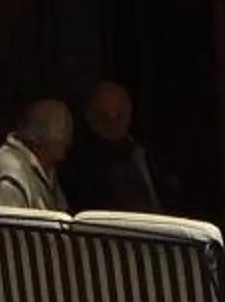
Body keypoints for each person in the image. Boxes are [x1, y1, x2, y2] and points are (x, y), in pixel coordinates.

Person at [66, 78, 160, 213]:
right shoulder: (83, 162)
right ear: (90, 117)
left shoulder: (144, 152)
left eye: (119, 116)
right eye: (104, 116)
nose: (113, 123)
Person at [0, 96, 74, 213]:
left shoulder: (46, 170)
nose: (68, 141)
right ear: (38, 138)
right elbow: (0, 229)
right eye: (63, 132)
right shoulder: (10, 175)